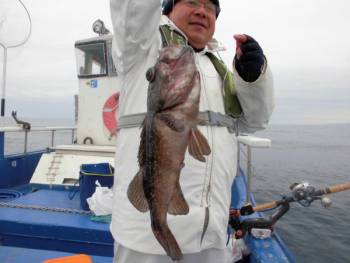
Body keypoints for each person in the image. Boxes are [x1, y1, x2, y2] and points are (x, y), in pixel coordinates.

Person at [109, 0, 274, 262]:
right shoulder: (142, 46)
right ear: (167, 9)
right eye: (192, 2)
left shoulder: (219, 69)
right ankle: (159, 222)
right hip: (144, 243)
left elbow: (254, 121)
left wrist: (252, 78)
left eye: (210, 8)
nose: (202, 11)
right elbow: (132, 10)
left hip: (213, 233)